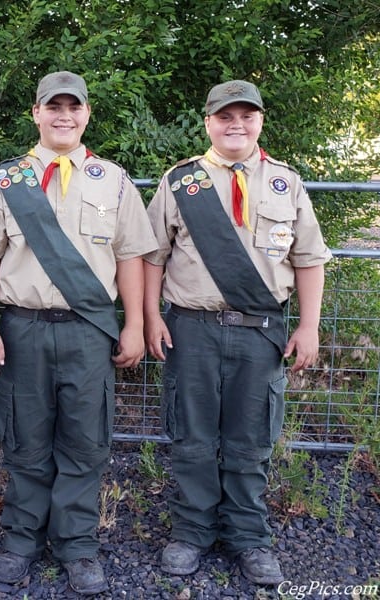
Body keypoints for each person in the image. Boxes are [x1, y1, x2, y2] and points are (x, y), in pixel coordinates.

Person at [0, 71, 158, 596]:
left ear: (87, 115)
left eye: (73, 107)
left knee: (84, 439)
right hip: (23, 328)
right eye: (54, 107)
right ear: (36, 113)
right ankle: (21, 539)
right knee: (24, 437)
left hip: (88, 332)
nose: (63, 116)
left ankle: (76, 544)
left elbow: (131, 258)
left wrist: (134, 325)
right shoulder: (7, 180)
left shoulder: (113, 181)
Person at [143, 80, 331, 585]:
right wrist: (150, 317)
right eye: (225, 116)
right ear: (208, 122)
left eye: (247, 115)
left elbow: (309, 261)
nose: (236, 124)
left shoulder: (284, 184)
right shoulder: (181, 181)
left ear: (260, 122)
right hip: (192, 329)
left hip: (259, 334)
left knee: (251, 441)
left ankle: (249, 536)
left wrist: (309, 326)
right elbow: (151, 257)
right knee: (193, 438)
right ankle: (191, 531)